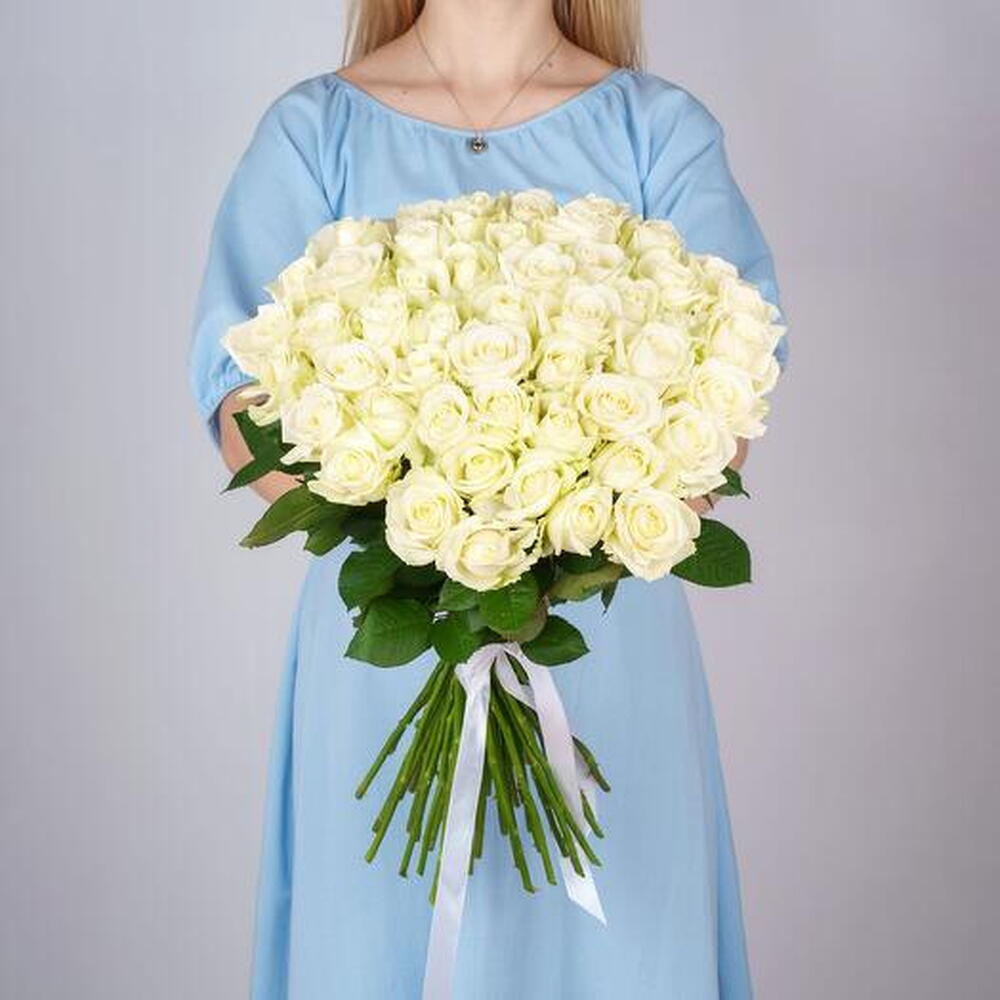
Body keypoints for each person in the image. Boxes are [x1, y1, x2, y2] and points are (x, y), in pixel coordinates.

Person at [188, 2, 789, 997]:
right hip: (389, 650)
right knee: (381, 939)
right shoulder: (312, 131)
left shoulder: (658, 129)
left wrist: (543, 522)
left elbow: (729, 383)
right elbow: (243, 404)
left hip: (601, 638)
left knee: (619, 946)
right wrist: (438, 525)